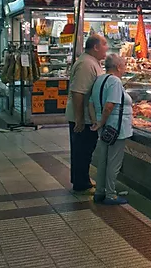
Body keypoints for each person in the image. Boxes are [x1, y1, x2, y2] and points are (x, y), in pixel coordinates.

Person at [66, 34, 108, 193]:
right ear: (95, 47)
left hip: (87, 116)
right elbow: (78, 93)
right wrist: (79, 119)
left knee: (84, 150)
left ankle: (80, 179)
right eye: (104, 44)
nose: (107, 47)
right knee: (82, 150)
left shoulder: (92, 62)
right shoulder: (86, 64)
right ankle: (80, 183)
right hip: (83, 117)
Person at [88, 54, 133, 205]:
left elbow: (91, 103)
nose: (125, 68)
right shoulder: (114, 81)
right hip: (115, 128)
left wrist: (97, 122)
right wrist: (101, 122)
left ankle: (100, 192)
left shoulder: (100, 79)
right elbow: (109, 106)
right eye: (124, 65)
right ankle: (111, 195)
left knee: (103, 161)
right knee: (113, 163)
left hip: (106, 127)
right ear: (118, 67)